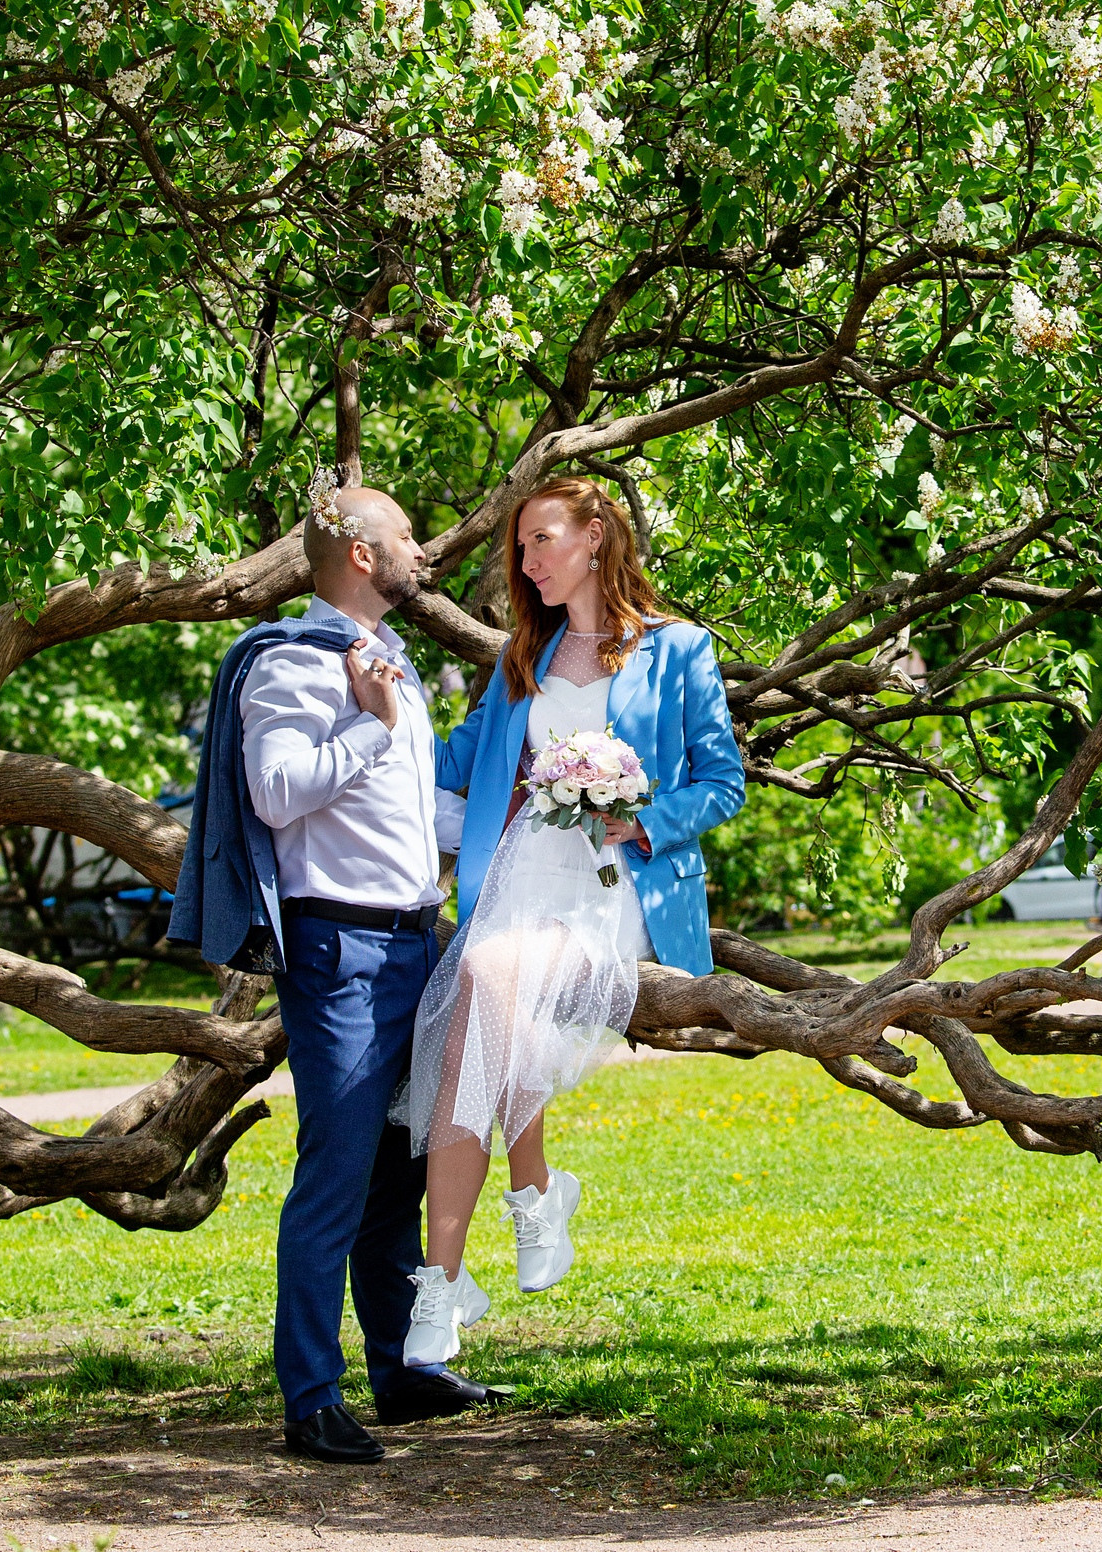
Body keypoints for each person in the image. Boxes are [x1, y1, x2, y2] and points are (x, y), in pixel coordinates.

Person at [167, 478, 502, 1467]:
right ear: (359, 553)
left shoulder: (392, 661)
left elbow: (411, 822)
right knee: (339, 1167)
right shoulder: (291, 665)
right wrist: (361, 720)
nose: (421, 552)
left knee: (404, 1165)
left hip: (415, 941)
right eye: (404, 536)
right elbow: (276, 793)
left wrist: (522, 813)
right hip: (341, 952)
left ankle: (400, 1370)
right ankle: (311, 1397)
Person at [397, 475, 744, 1367]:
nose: (527, 559)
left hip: (613, 883)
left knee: (480, 986)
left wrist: (644, 819)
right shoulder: (522, 659)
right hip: (518, 883)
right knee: (478, 1021)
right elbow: (452, 765)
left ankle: (477, 1253)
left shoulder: (679, 651)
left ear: (596, 536)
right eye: (520, 547)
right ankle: (482, 1247)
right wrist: (385, 699)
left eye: (541, 539)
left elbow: (722, 782)